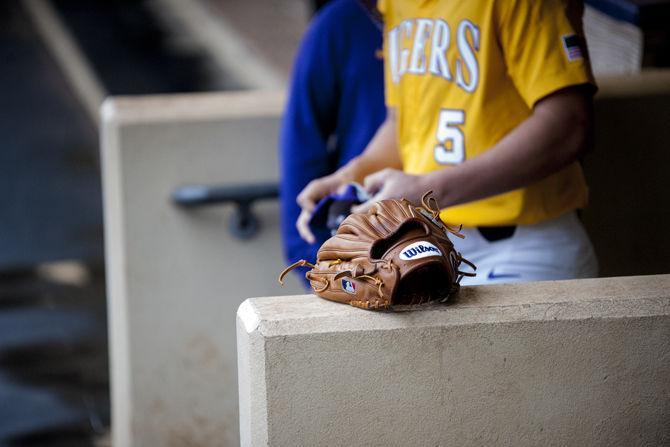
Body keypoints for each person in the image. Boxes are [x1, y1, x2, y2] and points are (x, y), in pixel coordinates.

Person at [296, 0, 599, 285]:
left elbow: (569, 125)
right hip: (431, 247)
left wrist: (429, 190)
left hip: (524, 246)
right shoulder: (396, 4)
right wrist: (348, 178)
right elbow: (403, 124)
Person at [279, 0, 386, 285]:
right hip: (361, 238)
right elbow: (302, 142)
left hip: (462, 226)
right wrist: (314, 262)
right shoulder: (340, 23)